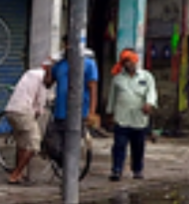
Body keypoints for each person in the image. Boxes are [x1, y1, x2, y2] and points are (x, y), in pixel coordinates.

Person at [48, 45, 102, 173]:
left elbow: (93, 88)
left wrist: (92, 111)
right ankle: (67, 167)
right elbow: (48, 83)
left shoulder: (88, 64)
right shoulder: (60, 65)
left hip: (79, 112)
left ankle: (70, 173)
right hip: (60, 112)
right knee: (52, 145)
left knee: (71, 143)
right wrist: (48, 68)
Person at [107, 47, 159, 180]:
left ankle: (137, 170)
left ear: (136, 61)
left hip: (139, 119)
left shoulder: (146, 77)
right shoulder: (117, 79)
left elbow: (151, 92)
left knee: (138, 147)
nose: (129, 64)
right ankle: (116, 170)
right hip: (122, 118)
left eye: (130, 61)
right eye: (125, 61)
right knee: (119, 145)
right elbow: (112, 97)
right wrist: (110, 113)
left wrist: (149, 103)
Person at [3, 58, 53, 184]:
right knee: (34, 144)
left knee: (22, 144)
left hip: (11, 109)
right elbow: (40, 103)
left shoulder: (30, 73)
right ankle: (15, 174)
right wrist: (39, 112)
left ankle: (18, 174)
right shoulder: (44, 78)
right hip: (23, 111)